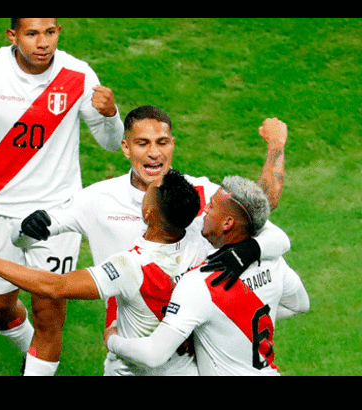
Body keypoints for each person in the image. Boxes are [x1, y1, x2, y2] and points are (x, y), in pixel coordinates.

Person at [15, 105, 291, 373]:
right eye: (142, 143)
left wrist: (276, 145)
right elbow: (29, 234)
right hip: (130, 355)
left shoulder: (199, 195)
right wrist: (22, 229)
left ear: (172, 144)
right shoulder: (97, 200)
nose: (154, 154)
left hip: (189, 357)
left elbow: (262, 205)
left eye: (161, 142)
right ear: (126, 147)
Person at [0, 18, 124, 376]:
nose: (42, 43)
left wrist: (111, 116)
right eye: (31, 34)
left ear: (59, 32)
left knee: (49, 312)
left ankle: (38, 365)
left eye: (50, 32)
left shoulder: (78, 75)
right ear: (12, 35)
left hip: (57, 215)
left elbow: (112, 144)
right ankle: (33, 355)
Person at [0, 169, 208, 375]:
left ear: (148, 213)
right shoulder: (203, 249)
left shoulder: (131, 266)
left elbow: (55, 287)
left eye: (150, 191)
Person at [104, 176, 310, 375]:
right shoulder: (274, 262)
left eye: (211, 206)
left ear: (227, 223)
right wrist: (232, 321)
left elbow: (154, 355)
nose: (204, 211)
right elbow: (300, 304)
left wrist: (112, 339)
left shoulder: (199, 283)